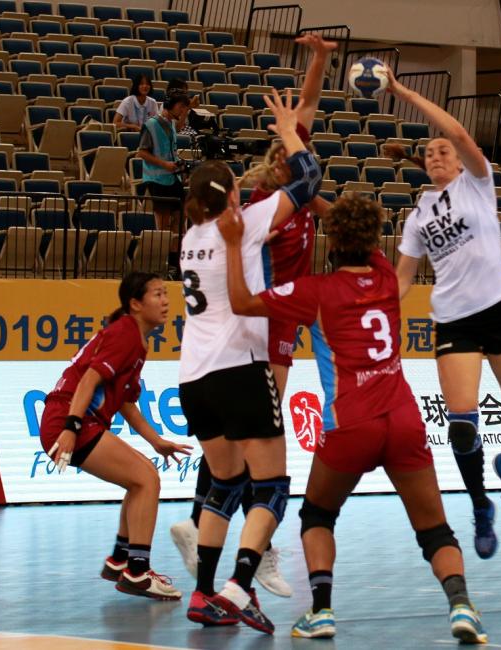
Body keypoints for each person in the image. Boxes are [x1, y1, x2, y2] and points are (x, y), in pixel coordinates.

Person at [218, 194, 488, 644]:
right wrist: (317, 196)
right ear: (371, 239)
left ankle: (321, 611)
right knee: (434, 529)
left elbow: (243, 302)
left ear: (333, 240)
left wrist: (234, 241)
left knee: (317, 516)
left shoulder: (316, 291)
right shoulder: (385, 275)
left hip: (351, 424)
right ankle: (462, 606)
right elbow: (353, 227)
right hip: (403, 418)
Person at [170, 33, 336, 600]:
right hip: (260, 323)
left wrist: (317, 60)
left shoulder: (194, 229)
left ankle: (212, 537)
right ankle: (249, 552)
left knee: (236, 458)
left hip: (220, 348)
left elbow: (305, 114)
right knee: (262, 458)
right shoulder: (261, 206)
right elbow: (305, 171)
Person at [387, 67, 501, 560]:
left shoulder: (478, 184)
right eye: (428, 154)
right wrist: (378, 309)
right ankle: (479, 507)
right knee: (463, 424)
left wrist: (401, 92)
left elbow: (458, 132)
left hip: (499, 309)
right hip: (454, 321)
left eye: (442, 151)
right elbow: (404, 277)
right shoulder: (418, 215)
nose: (436, 155)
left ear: (457, 159)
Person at [40, 272, 192, 600]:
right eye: (157, 294)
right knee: (146, 481)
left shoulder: (136, 340)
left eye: (166, 294)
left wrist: (156, 441)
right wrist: (71, 427)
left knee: (142, 478)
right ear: (135, 304)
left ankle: (119, 560)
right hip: (69, 421)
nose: (166, 301)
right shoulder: (124, 333)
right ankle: (137, 572)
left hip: (75, 421)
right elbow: (88, 381)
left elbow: (124, 402)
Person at [136, 92, 189, 235]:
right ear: (170, 105)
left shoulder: (171, 123)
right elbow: (142, 153)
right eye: (181, 107)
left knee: (181, 218)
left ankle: (176, 255)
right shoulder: (151, 124)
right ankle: (165, 255)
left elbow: (178, 128)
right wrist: (165, 164)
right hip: (157, 180)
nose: (182, 110)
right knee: (163, 224)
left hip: (173, 178)